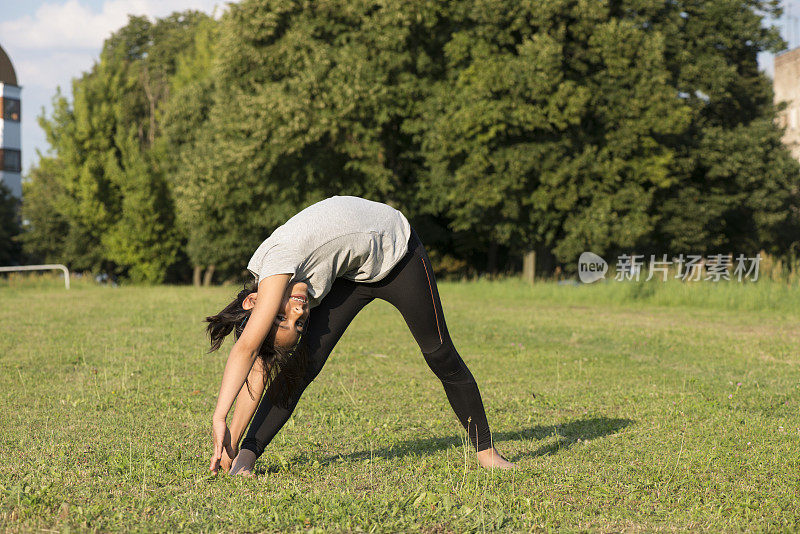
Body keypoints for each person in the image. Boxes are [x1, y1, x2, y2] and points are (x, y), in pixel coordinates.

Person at [206, 196, 515, 476]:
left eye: (280, 317)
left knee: (439, 352)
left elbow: (247, 348)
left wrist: (220, 417)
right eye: (296, 326)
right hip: (351, 275)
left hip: (398, 254)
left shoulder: (275, 267)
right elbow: (259, 367)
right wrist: (234, 446)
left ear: (254, 301)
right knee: (300, 366)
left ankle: (486, 451)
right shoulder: (292, 291)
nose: (298, 315)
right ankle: (248, 454)